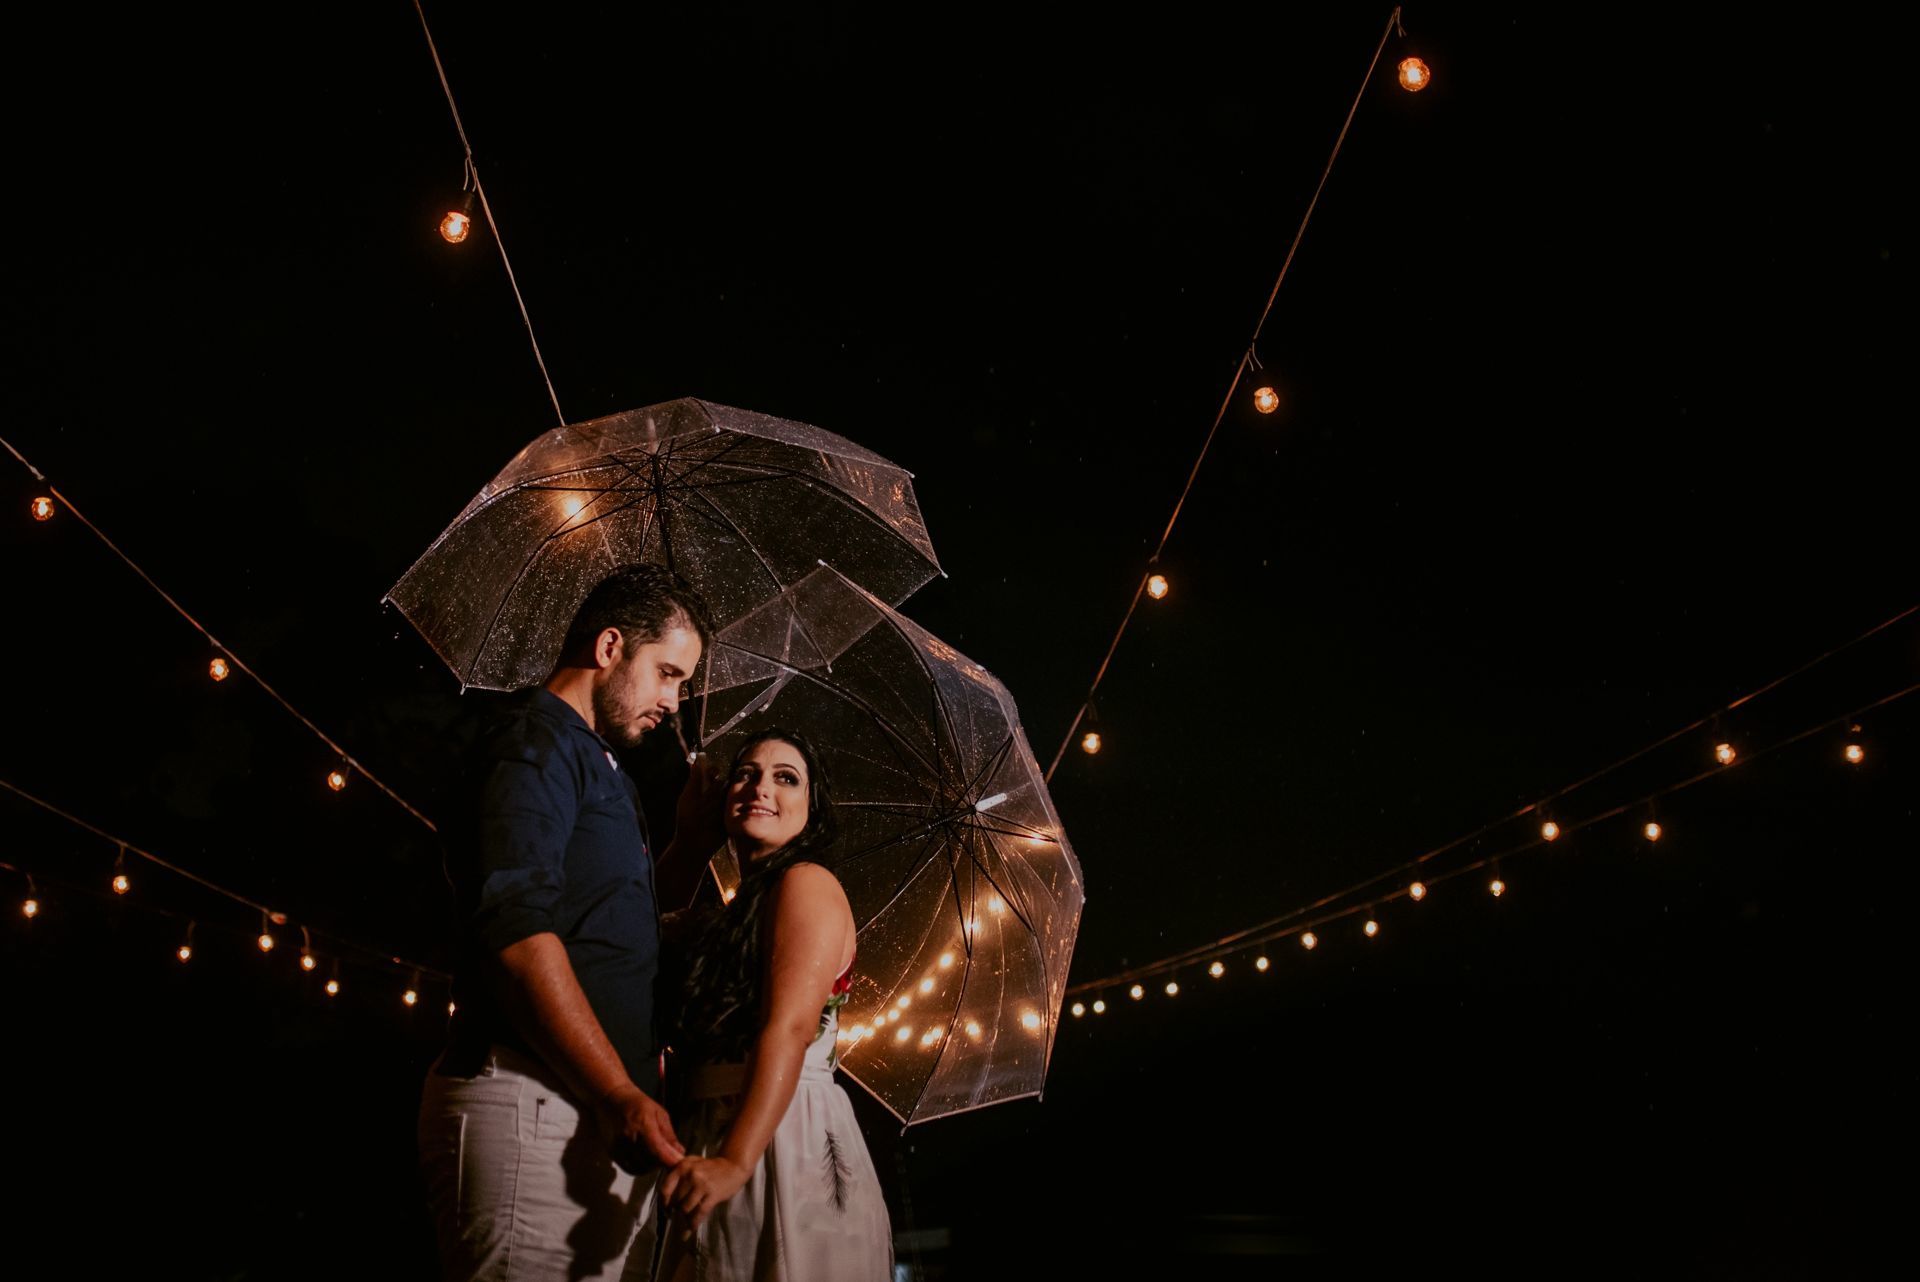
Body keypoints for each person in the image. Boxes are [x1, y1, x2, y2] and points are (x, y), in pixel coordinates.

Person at [419, 563, 713, 1282]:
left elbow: (619, 928)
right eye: (668, 674)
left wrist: (691, 843)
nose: (674, 702)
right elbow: (515, 932)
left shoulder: (601, 763)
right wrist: (617, 1094)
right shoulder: (533, 743)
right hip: (533, 1100)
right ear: (610, 647)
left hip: (595, 1113)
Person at [626, 728, 893, 1281]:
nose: (760, 787)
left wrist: (735, 1160)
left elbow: (789, 1027)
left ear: (812, 810)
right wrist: (690, 844)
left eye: (785, 778)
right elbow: (628, 943)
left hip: (780, 1131)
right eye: (746, 774)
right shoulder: (729, 913)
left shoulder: (807, 882)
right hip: (705, 1129)